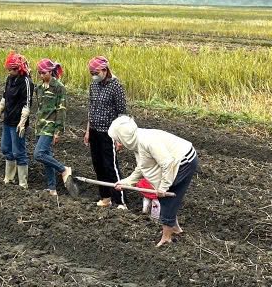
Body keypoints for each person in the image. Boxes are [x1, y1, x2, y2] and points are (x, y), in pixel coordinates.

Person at [109, 115, 199, 248]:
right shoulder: (137, 141)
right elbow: (143, 167)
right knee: (167, 195)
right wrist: (127, 182)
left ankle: (166, 237)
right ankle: (175, 228)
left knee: (168, 197)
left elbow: (168, 163)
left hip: (185, 159)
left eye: (118, 140)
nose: (117, 144)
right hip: (179, 159)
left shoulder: (147, 141)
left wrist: (163, 187)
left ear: (124, 137)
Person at [85, 56, 128, 208]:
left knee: (111, 166)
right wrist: (88, 130)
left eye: (95, 72)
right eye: (91, 73)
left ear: (105, 70)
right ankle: (105, 197)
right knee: (98, 164)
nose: (93, 75)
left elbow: (122, 113)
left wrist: (119, 137)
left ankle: (120, 201)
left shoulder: (116, 86)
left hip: (109, 133)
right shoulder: (94, 85)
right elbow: (91, 108)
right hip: (95, 130)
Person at [0, 52, 34, 189]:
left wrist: (22, 123)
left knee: (18, 152)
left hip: (18, 122)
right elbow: (4, 97)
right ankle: (8, 178)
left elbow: (27, 103)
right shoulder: (9, 79)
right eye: (9, 69)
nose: (10, 71)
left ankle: (23, 183)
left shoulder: (26, 82)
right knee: (6, 149)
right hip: (8, 119)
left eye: (13, 69)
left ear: (20, 68)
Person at [32, 58, 71, 196]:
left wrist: (58, 131)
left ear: (50, 71)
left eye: (43, 73)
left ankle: (63, 169)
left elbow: (61, 109)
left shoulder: (59, 87)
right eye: (39, 73)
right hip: (40, 125)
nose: (41, 76)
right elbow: (40, 108)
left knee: (39, 154)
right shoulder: (39, 88)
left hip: (50, 127)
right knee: (46, 156)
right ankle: (52, 188)